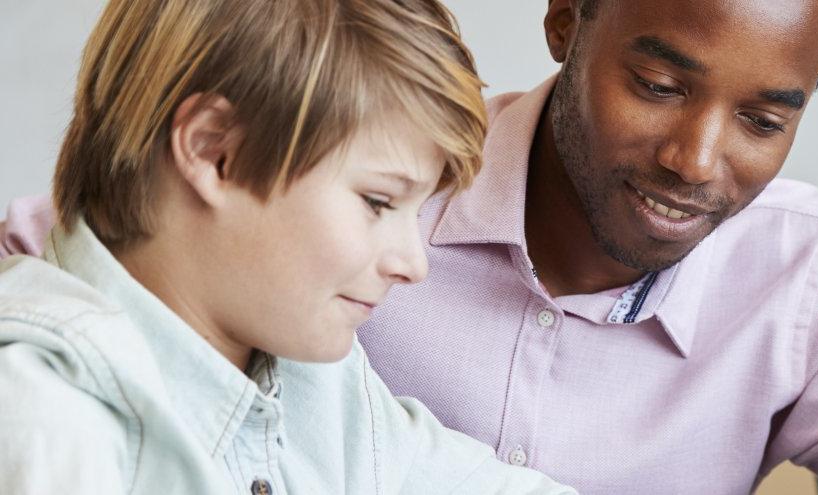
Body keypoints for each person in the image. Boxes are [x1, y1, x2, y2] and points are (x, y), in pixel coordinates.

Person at [0, 0, 570, 492]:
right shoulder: (42, 415)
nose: (413, 263)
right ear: (212, 151)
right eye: (377, 201)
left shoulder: (322, 383)